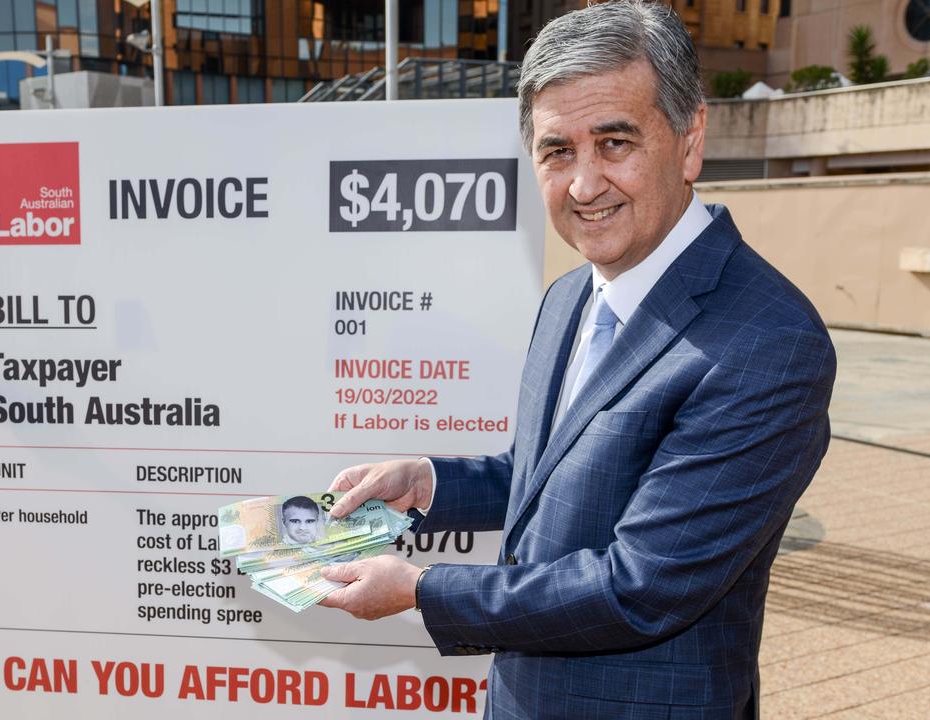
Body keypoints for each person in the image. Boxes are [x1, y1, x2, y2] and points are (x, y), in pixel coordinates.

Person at [317, 2, 836, 718]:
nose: (584, 185)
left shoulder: (769, 343)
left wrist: (420, 588)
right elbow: (546, 476)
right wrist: (428, 482)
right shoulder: (568, 295)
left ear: (690, 141)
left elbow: (640, 587)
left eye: (614, 142)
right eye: (558, 151)